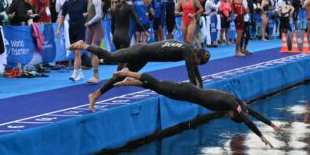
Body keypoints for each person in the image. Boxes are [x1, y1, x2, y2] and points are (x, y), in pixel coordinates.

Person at [112, 69, 282, 148]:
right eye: (231, 116)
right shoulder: (232, 105)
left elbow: (253, 114)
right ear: (233, 114)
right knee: (158, 84)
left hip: (187, 94)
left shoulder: (239, 103)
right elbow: (247, 120)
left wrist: (272, 125)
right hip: (187, 91)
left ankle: (131, 81)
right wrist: (261, 136)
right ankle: (131, 73)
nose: (228, 116)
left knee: (158, 89)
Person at [71, 39, 210, 112]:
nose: (195, 64)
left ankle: (95, 95)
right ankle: (83, 46)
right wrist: (199, 98)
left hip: (145, 56)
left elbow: (196, 73)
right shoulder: (187, 51)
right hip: (140, 51)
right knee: (111, 57)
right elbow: (192, 75)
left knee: (120, 76)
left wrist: (201, 91)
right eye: (197, 62)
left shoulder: (189, 49)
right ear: (195, 55)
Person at [56, 0, 88, 81]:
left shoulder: (84, 2)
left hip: (81, 29)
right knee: (75, 53)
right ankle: (81, 73)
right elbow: (62, 16)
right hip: (71, 30)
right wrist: (58, 29)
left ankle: (74, 73)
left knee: (78, 52)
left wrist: (87, 18)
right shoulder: (67, 4)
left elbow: (91, 14)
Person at [83, 0, 105, 83]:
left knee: (93, 51)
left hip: (96, 28)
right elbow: (94, 12)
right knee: (91, 52)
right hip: (90, 28)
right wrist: (87, 14)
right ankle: (95, 76)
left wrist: (89, 22)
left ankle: (96, 77)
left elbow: (99, 15)